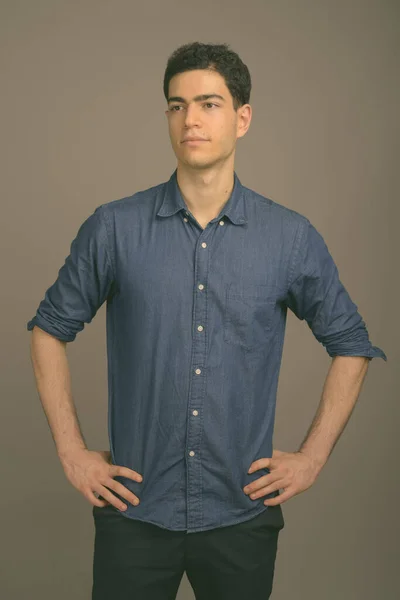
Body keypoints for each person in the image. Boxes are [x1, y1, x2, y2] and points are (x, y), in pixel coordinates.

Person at [27, 41, 387, 600]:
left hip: (241, 517)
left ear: (242, 118)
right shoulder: (114, 229)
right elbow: (50, 327)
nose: (190, 118)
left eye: (209, 103)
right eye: (176, 105)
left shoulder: (289, 238)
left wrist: (312, 457)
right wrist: (71, 452)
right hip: (135, 516)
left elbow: (352, 344)